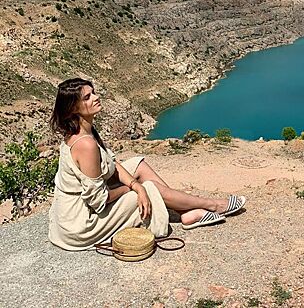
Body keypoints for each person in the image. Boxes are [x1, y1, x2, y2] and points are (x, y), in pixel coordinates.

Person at [48, 77, 246, 251]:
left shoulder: (84, 130)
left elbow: (112, 163)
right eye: (87, 97)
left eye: (93, 93)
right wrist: (135, 189)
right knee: (149, 189)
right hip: (82, 223)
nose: (96, 97)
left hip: (77, 211)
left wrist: (134, 184)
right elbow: (98, 201)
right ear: (73, 108)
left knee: (138, 165)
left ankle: (185, 211)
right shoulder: (86, 144)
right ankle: (213, 205)